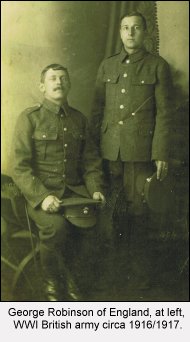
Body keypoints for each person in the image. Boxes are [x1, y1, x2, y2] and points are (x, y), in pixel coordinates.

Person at [90, 12, 173, 289]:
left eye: (136, 28)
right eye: (125, 28)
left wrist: (160, 152)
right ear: (121, 33)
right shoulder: (108, 65)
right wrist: (92, 150)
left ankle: (138, 278)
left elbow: (164, 114)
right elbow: (97, 109)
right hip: (110, 151)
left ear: (145, 32)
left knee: (139, 211)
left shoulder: (157, 66)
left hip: (140, 152)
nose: (130, 33)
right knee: (113, 211)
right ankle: (115, 273)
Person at [11, 64, 105, 301]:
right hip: (39, 197)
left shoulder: (79, 120)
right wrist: (43, 198)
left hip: (75, 194)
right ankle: (53, 283)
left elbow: (91, 163)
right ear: (42, 86)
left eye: (63, 78)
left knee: (98, 226)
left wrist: (95, 191)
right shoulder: (29, 118)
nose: (59, 82)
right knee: (56, 227)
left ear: (69, 84)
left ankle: (74, 279)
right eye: (52, 78)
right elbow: (20, 167)